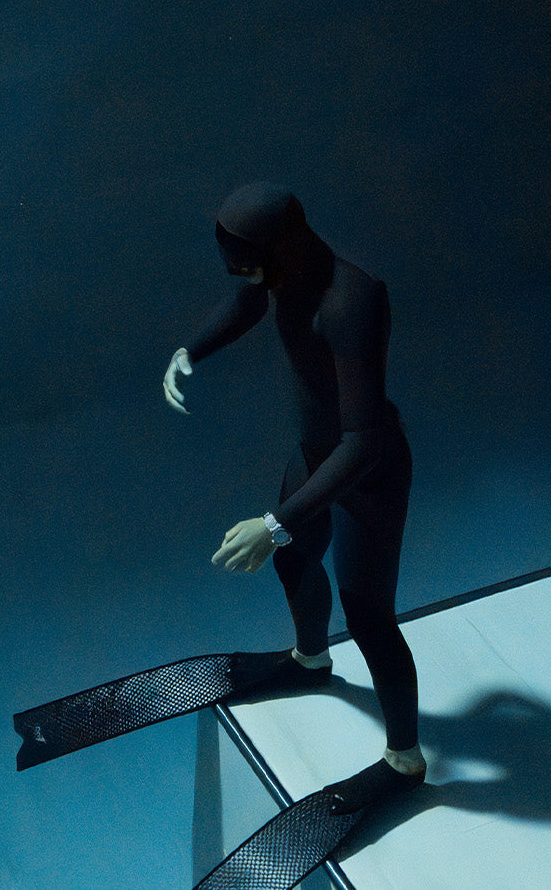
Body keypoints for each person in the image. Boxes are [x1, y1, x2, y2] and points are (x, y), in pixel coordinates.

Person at [163, 182, 424, 805]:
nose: (247, 278)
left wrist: (275, 520)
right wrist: (191, 349)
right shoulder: (282, 267)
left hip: (368, 474)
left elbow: (361, 441)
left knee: (369, 617)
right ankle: (311, 662)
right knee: (293, 558)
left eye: (251, 265)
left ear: (281, 248)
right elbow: (250, 300)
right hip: (313, 454)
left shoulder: (352, 300)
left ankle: (406, 760)